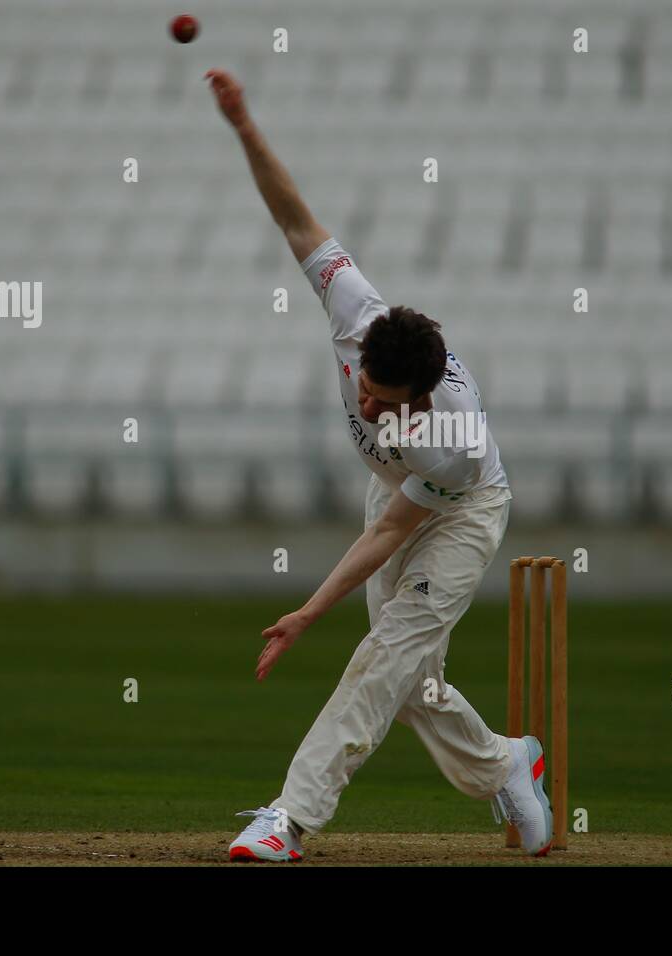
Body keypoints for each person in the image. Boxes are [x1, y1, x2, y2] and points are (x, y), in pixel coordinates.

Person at [204, 69, 553, 861]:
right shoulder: (355, 309)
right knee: (408, 688)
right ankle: (508, 762)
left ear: (422, 397)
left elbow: (393, 533)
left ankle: (288, 820)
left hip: (460, 512)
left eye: (387, 403)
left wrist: (307, 612)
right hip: (395, 490)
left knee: (383, 660)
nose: (367, 407)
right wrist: (243, 125)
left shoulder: (449, 443)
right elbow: (295, 222)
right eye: (364, 387)